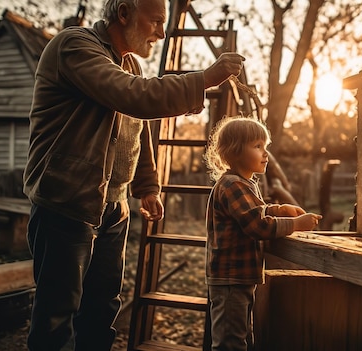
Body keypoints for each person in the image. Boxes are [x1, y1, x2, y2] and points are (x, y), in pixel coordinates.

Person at [22, 0, 245, 349]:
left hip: (114, 208)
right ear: (124, 13)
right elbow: (133, 97)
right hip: (66, 204)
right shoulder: (74, 46)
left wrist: (147, 186)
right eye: (155, 21)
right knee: (56, 317)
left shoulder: (131, 65)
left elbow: (135, 130)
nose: (162, 31)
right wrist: (205, 79)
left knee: (100, 310)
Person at [203, 116, 322, 351]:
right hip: (230, 278)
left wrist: (279, 209)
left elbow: (255, 211)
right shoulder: (232, 185)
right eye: (257, 146)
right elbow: (257, 225)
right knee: (230, 342)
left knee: (242, 336)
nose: (265, 153)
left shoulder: (245, 183)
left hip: (240, 276)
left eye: (265, 146)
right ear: (235, 151)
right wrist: (296, 223)